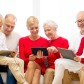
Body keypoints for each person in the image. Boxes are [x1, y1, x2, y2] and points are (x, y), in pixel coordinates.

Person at [52, 11, 84, 84]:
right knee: (59, 61)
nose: (81, 23)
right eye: (79, 21)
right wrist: (66, 54)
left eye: (83, 20)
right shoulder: (74, 36)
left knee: (60, 63)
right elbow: (72, 50)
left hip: (82, 62)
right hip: (76, 62)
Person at [19, 16, 49, 84]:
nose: (35, 30)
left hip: (40, 66)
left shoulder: (45, 41)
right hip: (27, 67)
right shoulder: (22, 40)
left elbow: (45, 62)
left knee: (32, 63)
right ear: (28, 28)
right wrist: (29, 59)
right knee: (36, 71)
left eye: (36, 27)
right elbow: (21, 60)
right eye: (32, 28)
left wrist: (41, 58)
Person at [0, 14, 28, 84]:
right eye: (7, 25)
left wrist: (11, 53)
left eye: (12, 27)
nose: (9, 29)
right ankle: (23, 81)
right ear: (3, 23)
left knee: (19, 62)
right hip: (2, 60)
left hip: (6, 60)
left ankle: (20, 82)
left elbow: (4, 47)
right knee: (12, 63)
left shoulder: (16, 36)